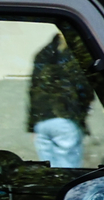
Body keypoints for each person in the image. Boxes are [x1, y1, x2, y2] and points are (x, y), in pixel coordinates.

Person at [27, 29, 94, 168]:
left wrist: (32, 125)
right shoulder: (78, 56)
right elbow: (85, 90)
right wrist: (82, 116)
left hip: (42, 120)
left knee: (49, 172)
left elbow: (33, 90)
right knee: (69, 171)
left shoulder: (43, 53)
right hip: (66, 117)